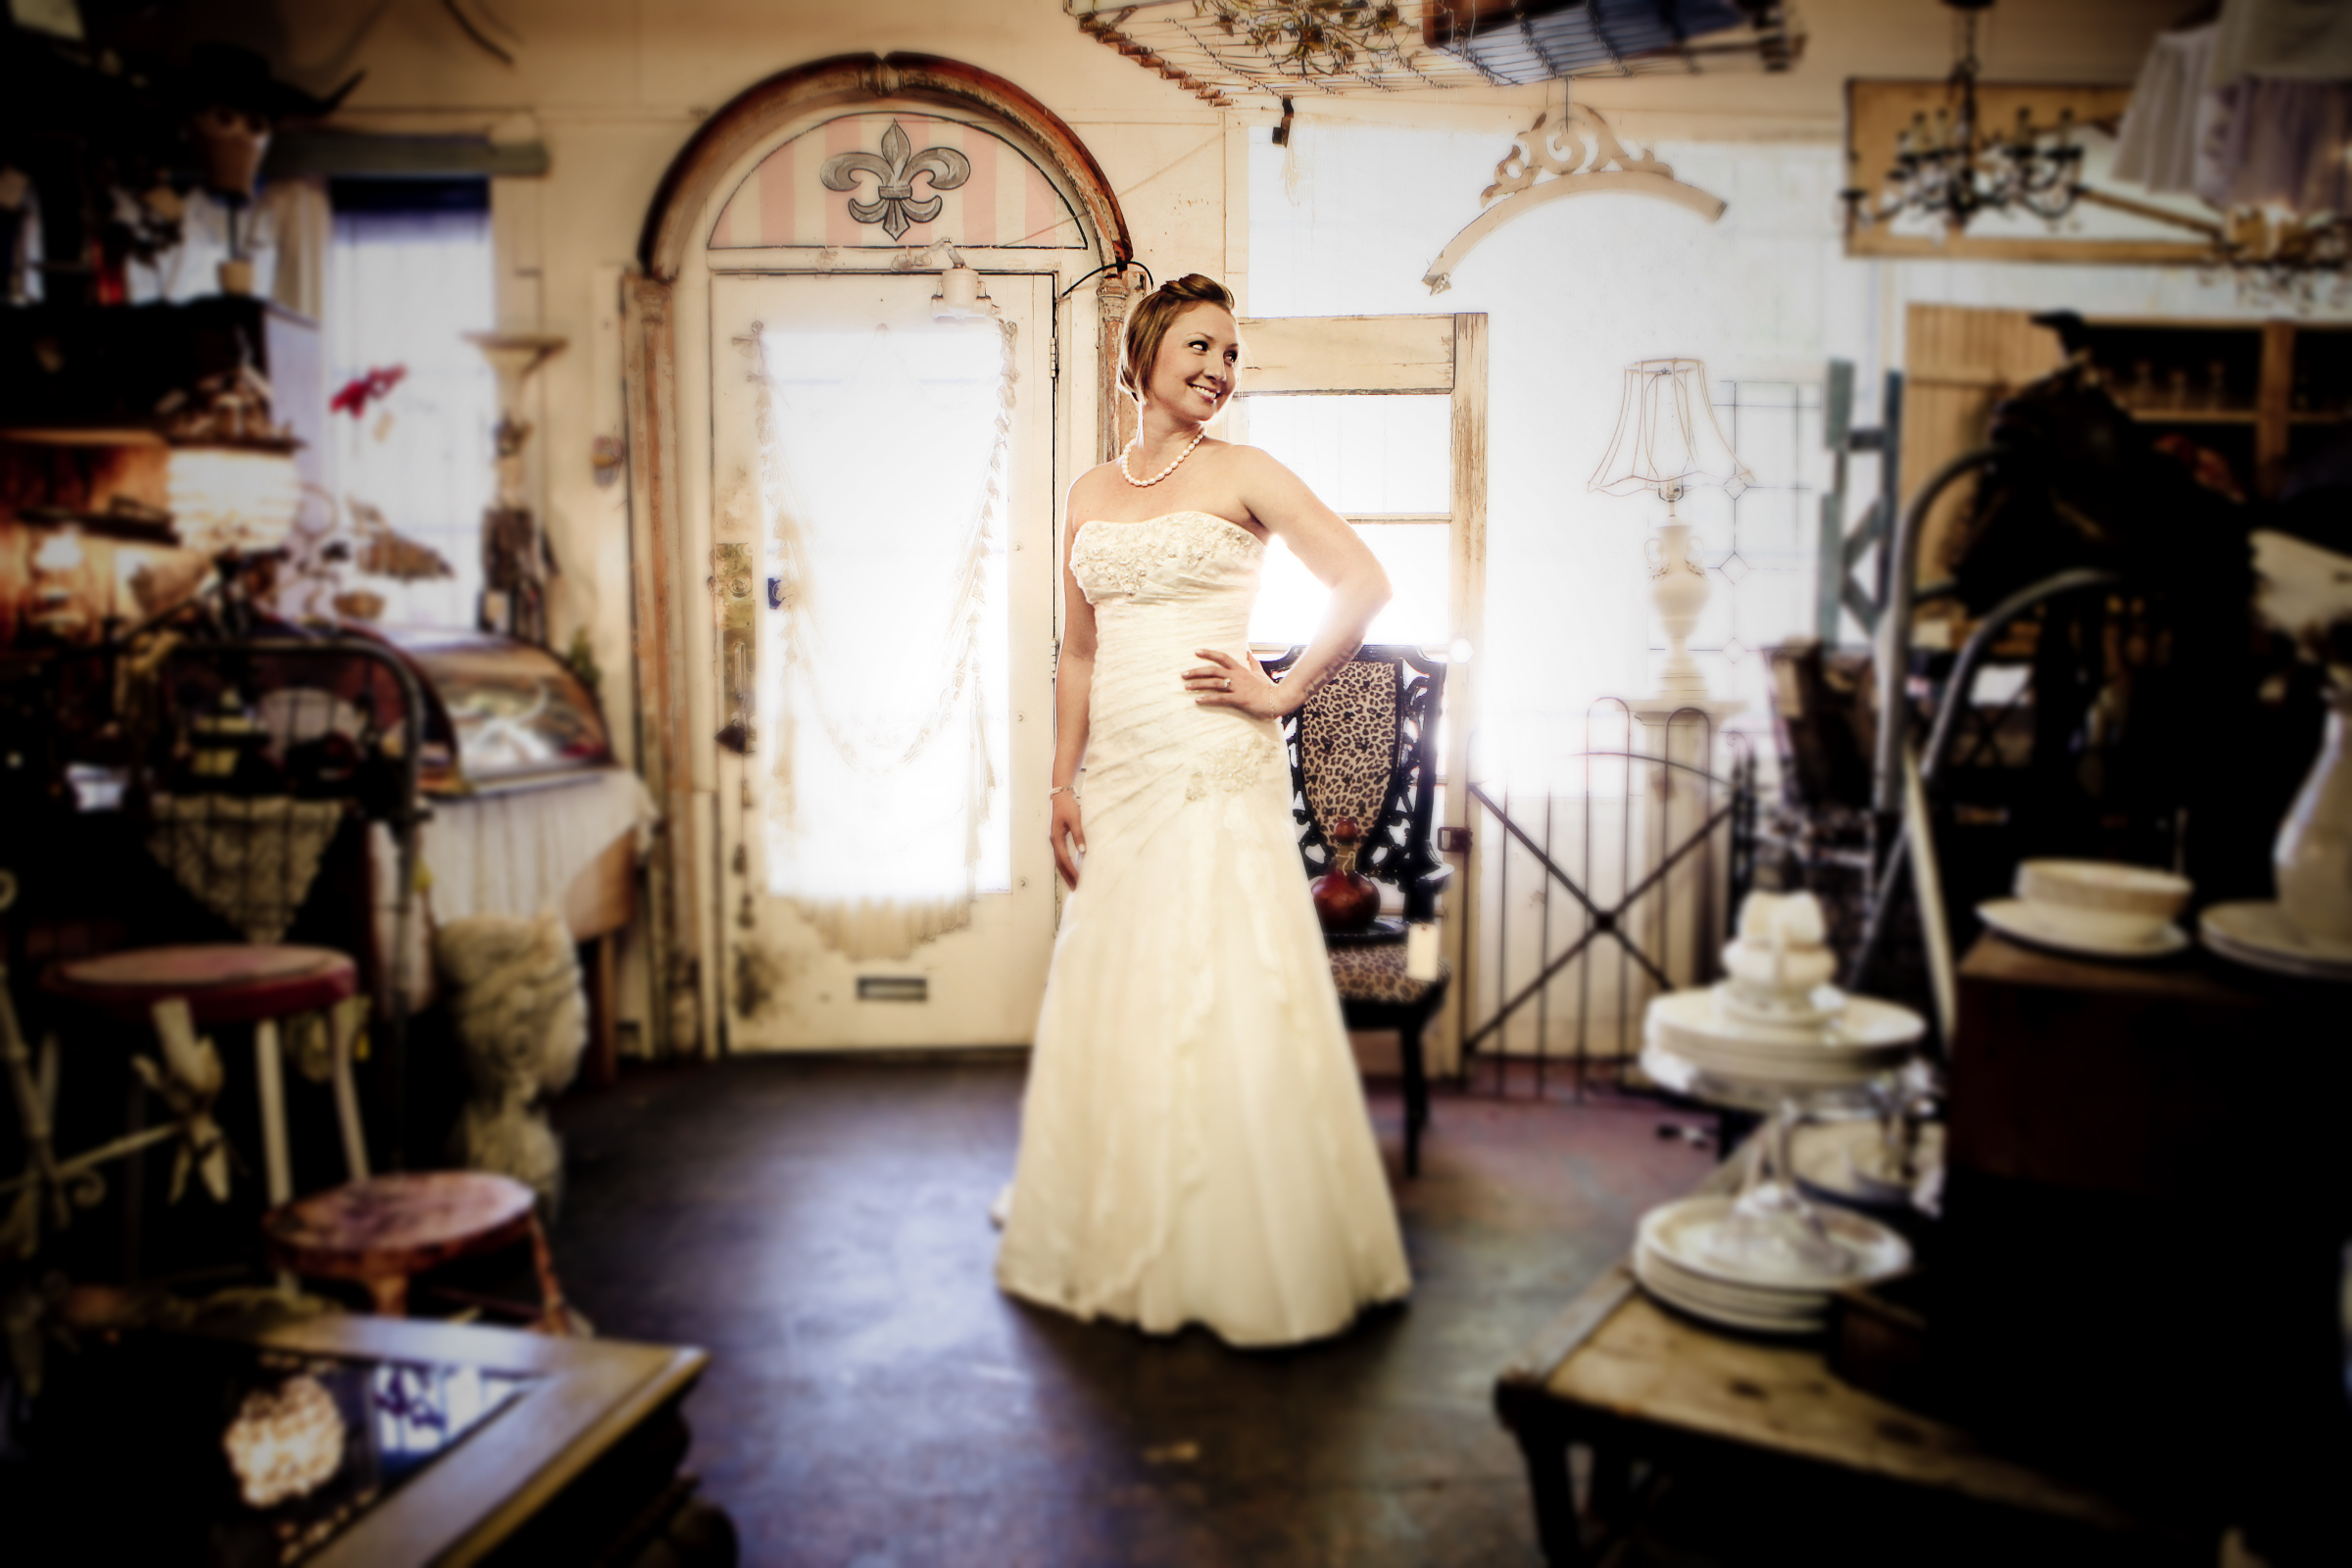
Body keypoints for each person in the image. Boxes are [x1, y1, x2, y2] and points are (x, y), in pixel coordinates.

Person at [994, 274, 1412, 1347]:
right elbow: (1079, 650)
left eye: (1232, 354)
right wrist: (1060, 778)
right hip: (1120, 765)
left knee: (1219, 968)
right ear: (1145, 354)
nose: (1220, 369)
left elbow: (1363, 580)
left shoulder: (1246, 472)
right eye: (1201, 346)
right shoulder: (1089, 490)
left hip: (1213, 752)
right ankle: (1118, 1206)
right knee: (1119, 965)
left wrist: (1280, 690)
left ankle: (1236, 1232)